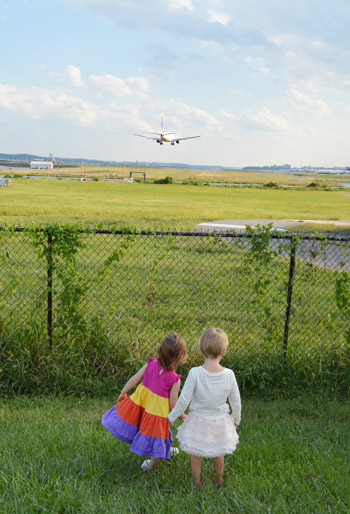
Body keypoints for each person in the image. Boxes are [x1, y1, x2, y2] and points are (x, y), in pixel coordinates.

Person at [102, 332, 188, 471]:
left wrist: (123, 392)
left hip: (143, 406)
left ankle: (166, 450)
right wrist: (183, 416)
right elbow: (173, 405)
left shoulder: (151, 364)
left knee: (153, 432)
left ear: (160, 350)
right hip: (156, 414)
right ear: (180, 357)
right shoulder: (174, 379)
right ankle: (151, 463)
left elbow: (135, 379)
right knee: (158, 435)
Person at [167, 327, 241, 486]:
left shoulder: (195, 373)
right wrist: (236, 419)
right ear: (224, 351)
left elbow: (184, 399)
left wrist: (172, 416)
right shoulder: (229, 375)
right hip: (220, 421)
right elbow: (235, 401)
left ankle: (196, 480)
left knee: (195, 452)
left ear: (200, 350)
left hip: (198, 421)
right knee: (218, 452)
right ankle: (219, 479)